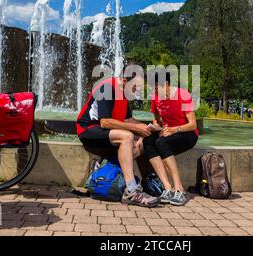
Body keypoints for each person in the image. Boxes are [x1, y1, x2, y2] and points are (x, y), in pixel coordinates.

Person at [77, 67, 160, 208]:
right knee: (127, 136)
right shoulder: (107, 88)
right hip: (89, 130)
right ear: (125, 80)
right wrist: (135, 129)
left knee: (141, 141)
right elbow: (105, 122)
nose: (137, 91)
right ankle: (131, 191)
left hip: (107, 134)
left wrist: (147, 128)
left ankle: (103, 168)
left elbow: (128, 120)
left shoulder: (125, 94)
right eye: (135, 87)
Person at [143, 72, 199, 206]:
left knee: (161, 142)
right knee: (148, 141)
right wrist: (156, 126)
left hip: (187, 133)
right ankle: (167, 187)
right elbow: (156, 118)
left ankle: (179, 189)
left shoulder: (183, 94)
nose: (154, 91)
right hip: (168, 133)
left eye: (156, 87)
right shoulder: (155, 97)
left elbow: (192, 125)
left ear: (166, 84)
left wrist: (175, 129)